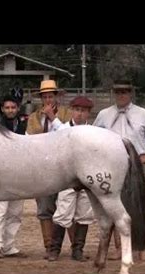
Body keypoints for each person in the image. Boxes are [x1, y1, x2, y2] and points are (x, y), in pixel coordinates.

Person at [93, 80, 145, 261]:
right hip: (111, 164)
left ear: (131, 93)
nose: (121, 95)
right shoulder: (104, 115)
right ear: (113, 93)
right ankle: (120, 248)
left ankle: (142, 248)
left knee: (139, 205)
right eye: (118, 92)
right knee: (115, 206)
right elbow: (93, 137)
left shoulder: (143, 114)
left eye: (125, 92)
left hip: (136, 162)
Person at [26, 79, 72, 259]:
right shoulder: (33, 117)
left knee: (68, 206)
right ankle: (49, 247)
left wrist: (53, 118)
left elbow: (69, 136)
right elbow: (28, 141)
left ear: (57, 96)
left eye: (50, 96)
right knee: (45, 207)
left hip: (64, 167)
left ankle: (76, 248)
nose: (47, 100)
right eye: (44, 96)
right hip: (42, 167)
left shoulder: (67, 114)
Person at [48, 96, 95, 262]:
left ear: (88, 113)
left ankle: (78, 250)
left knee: (84, 214)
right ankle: (54, 249)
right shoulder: (63, 131)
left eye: (83, 111)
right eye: (77, 110)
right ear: (72, 111)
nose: (79, 114)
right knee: (63, 212)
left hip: (86, 178)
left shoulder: (94, 132)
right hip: (67, 177)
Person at [0, 94, 28, 258]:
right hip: (1, 174)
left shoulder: (25, 124)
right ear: (2, 109)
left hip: (19, 173)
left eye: (13, 107)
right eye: (7, 108)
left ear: (18, 108)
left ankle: (9, 246)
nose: (10, 110)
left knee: (16, 212)